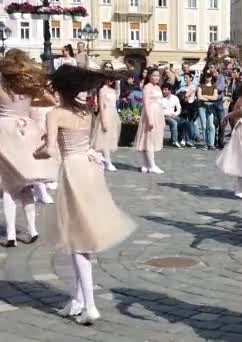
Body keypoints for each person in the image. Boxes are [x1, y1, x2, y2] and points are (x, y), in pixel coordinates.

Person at [34, 65, 136, 325]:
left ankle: (90, 305)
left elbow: (50, 150)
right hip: (90, 169)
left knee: (78, 239)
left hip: (73, 170)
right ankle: (77, 300)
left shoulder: (56, 113)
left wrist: (37, 151)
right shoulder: (86, 112)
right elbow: (87, 144)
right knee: (84, 233)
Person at [0, 49, 57, 247]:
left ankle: (11, 234)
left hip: (5, 132)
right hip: (26, 130)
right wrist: (32, 100)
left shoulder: (1, 85)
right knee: (26, 186)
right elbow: (52, 101)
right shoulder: (28, 85)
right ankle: (32, 229)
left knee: (8, 186)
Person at [133, 68, 165, 174]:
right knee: (148, 139)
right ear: (149, 76)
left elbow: (160, 102)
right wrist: (150, 118)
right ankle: (151, 165)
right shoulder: (147, 87)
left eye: (158, 75)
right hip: (150, 113)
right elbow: (146, 104)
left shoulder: (158, 87)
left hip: (158, 113)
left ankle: (146, 164)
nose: (156, 77)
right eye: (154, 75)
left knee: (151, 139)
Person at [90, 75, 122, 172]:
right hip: (106, 114)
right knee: (104, 139)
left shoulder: (112, 90)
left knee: (110, 138)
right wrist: (103, 120)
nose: (111, 80)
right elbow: (101, 106)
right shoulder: (102, 90)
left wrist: (118, 84)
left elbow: (117, 97)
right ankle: (108, 162)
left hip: (113, 114)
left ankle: (105, 160)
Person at [161, 83, 193, 149]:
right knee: (174, 123)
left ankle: (186, 140)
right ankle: (174, 141)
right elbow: (158, 110)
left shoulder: (175, 98)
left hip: (173, 115)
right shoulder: (160, 98)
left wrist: (175, 114)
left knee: (185, 122)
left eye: (165, 90)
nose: (163, 91)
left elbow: (179, 109)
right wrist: (168, 115)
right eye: (163, 90)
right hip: (163, 116)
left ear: (170, 91)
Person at [197, 71, 219, 150]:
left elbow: (215, 97)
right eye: (207, 76)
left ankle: (211, 144)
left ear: (212, 77)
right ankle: (205, 144)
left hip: (210, 107)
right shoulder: (200, 85)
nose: (208, 77)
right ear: (204, 77)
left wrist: (205, 96)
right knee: (203, 126)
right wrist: (210, 98)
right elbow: (199, 97)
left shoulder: (214, 86)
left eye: (209, 76)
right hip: (201, 107)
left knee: (211, 126)